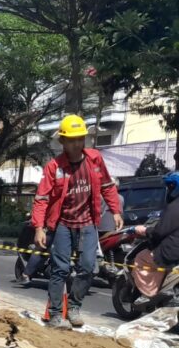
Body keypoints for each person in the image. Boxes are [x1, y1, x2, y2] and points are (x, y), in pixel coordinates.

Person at [31, 115, 122, 329]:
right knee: (60, 269)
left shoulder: (95, 159)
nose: (77, 143)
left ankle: (74, 307)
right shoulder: (54, 167)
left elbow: (108, 186)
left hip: (88, 222)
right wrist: (38, 228)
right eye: (72, 140)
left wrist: (116, 211)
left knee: (88, 267)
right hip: (63, 223)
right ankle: (55, 314)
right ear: (62, 141)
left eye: (80, 139)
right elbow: (42, 199)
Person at [132, 171, 179, 296]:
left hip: (171, 252)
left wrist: (145, 230)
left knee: (141, 258)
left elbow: (160, 232)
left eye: (170, 187)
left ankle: (149, 294)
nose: (168, 190)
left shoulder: (175, 206)